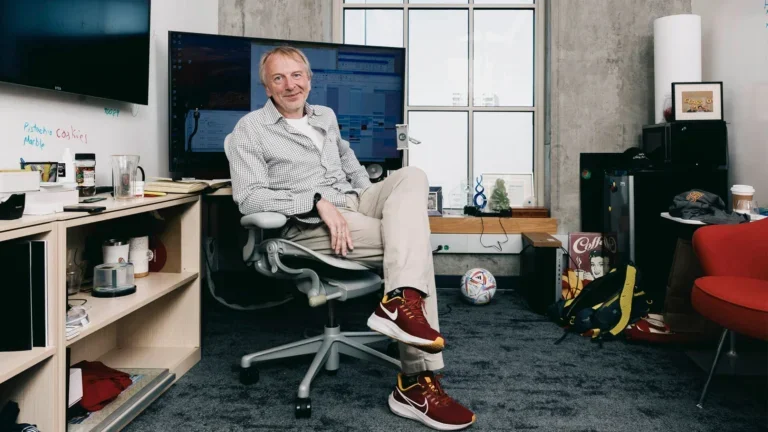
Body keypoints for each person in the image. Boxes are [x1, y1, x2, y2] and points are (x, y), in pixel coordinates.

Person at [224, 46, 476, 430]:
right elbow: (249, 197)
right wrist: (316, 201)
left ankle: (399, 302)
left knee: (412, 176)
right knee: (413, 247)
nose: (290, 85)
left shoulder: (325, 116)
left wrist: (374, 196)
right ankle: (415, 381)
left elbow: (351, 166)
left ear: (309, 78)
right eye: (279, 78)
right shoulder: (250, 130)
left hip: (355, 207)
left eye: (297, 75)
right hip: (309, 225)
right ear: (266, 86)